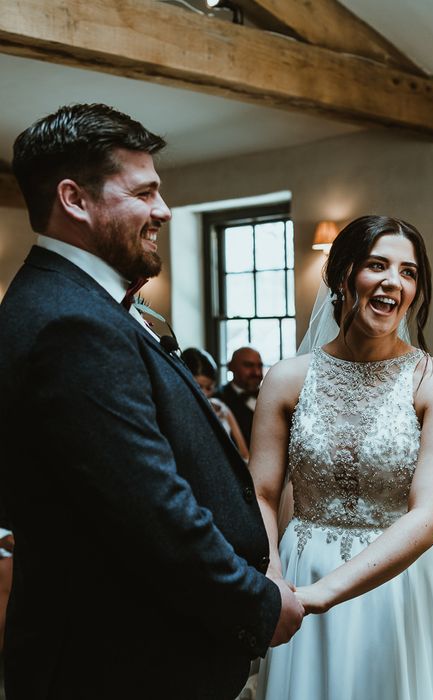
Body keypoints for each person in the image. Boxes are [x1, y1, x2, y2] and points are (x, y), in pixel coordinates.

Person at [0, 103, 303, 699]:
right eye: (144, 192)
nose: (162, 210)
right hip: (124, 660)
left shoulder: (67, 300)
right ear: (74, 199)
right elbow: (150, 511)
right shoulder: (70, 323)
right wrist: (257, 604)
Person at [252, 215, 433, 700]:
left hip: (406, 583)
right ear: (343, 275)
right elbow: (262, 492)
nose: (394, 281)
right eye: (378, 265)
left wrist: (323, 594)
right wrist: (273, 578)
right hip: (300, 570)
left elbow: (431, 515)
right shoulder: (287, 379)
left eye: (409, 272)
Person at [181, 346, 250, 460]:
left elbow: (245, 454)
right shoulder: (179, 412)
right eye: (198, 387)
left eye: (209, 388)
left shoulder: (222, 409)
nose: (203, 394)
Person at [216, 346, 264, 446]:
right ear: (231, 367)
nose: (257, 372)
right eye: (248, 365)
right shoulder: (218, 399)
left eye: (260, 366)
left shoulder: (270, 396)